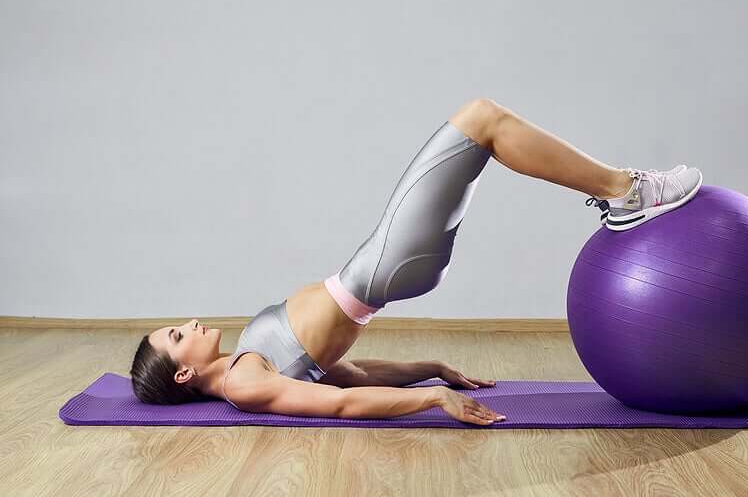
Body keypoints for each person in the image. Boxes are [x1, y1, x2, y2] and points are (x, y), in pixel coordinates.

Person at [131, 98, 702, 425]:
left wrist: (432, 367)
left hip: (387, 265)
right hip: (385, 266)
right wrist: (431, 399)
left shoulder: (247, 364)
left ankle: (621, 191)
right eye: (180, 336)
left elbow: (348, 372)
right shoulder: (245, 385)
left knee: (482, 128)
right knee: (482, 120)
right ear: (184, 373)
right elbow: (342, 402)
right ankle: (627, 190)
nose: (191, 323)